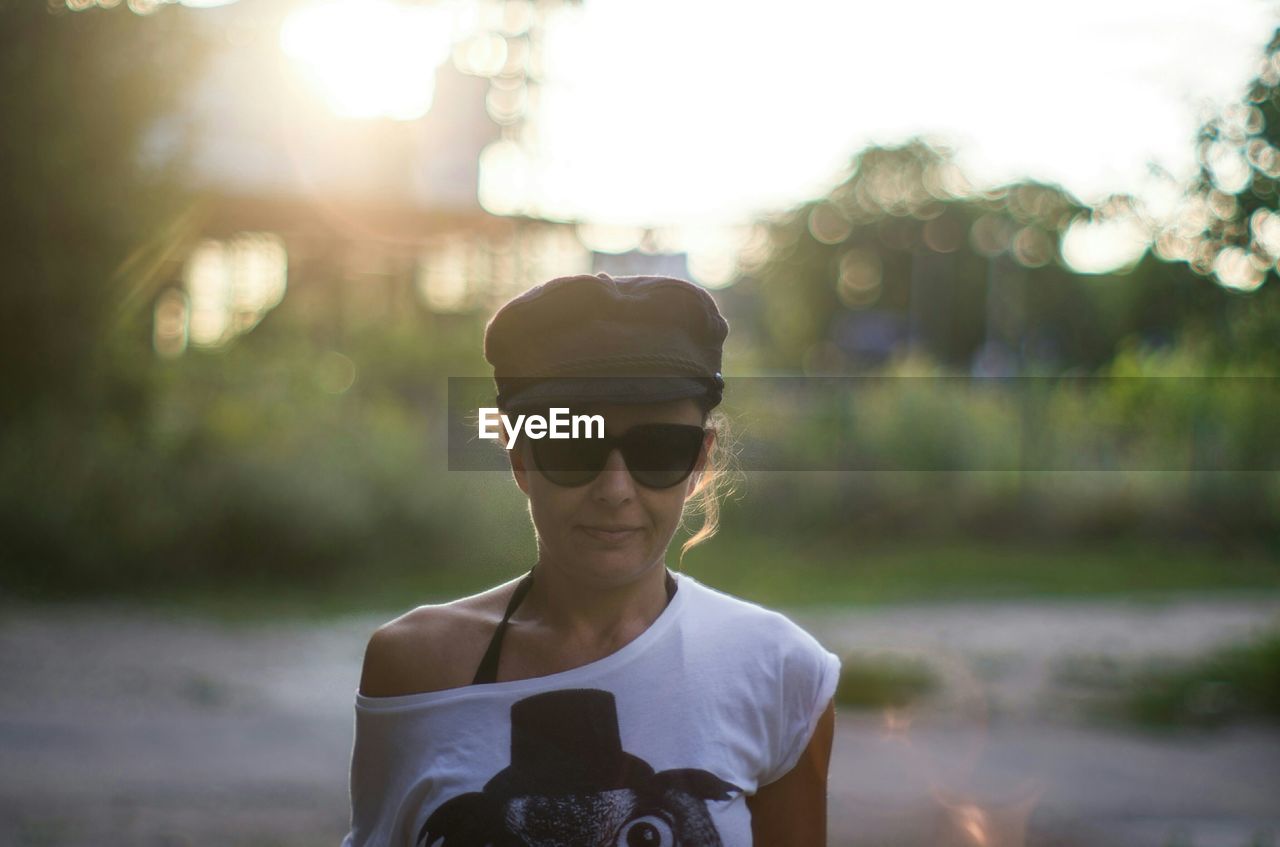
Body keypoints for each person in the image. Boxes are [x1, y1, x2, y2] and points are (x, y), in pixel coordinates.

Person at [343, 273, 840, 846]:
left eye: (658, 450)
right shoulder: (414, 667)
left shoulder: (780, 674)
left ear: (701, 460)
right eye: (573, 446)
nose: (615, 488)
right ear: (519, 456)